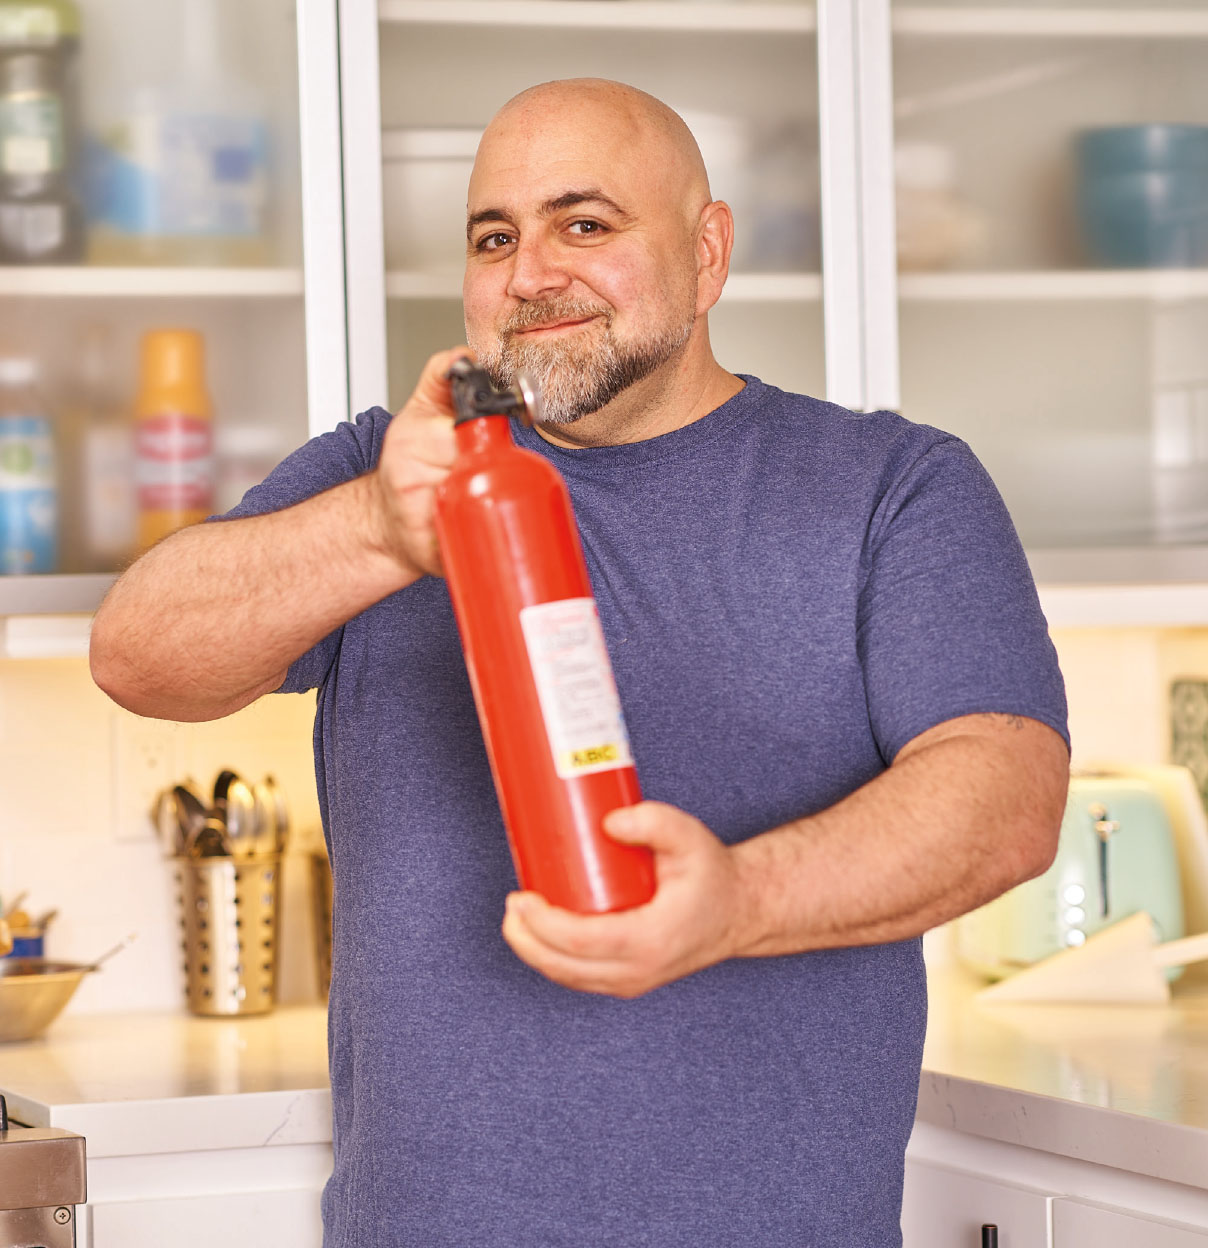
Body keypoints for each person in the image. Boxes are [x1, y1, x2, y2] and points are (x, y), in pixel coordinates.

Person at [90, 79, 1070, 1247]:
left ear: (707, 254)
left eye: (585, 224)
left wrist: (739, 904)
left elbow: (1005, 794)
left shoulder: (888, 487)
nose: (527, 272)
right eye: (492, 236)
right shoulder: (396, 472)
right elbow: (138, 656)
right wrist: (378, 531)